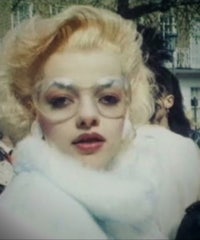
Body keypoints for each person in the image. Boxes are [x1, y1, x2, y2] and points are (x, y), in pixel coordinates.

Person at [0, 5, 200, 240]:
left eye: (108, 98)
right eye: (61, 100)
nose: (88, 115)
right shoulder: (26, 218)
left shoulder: (128, 205)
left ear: (128, 105)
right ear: (32, 110)